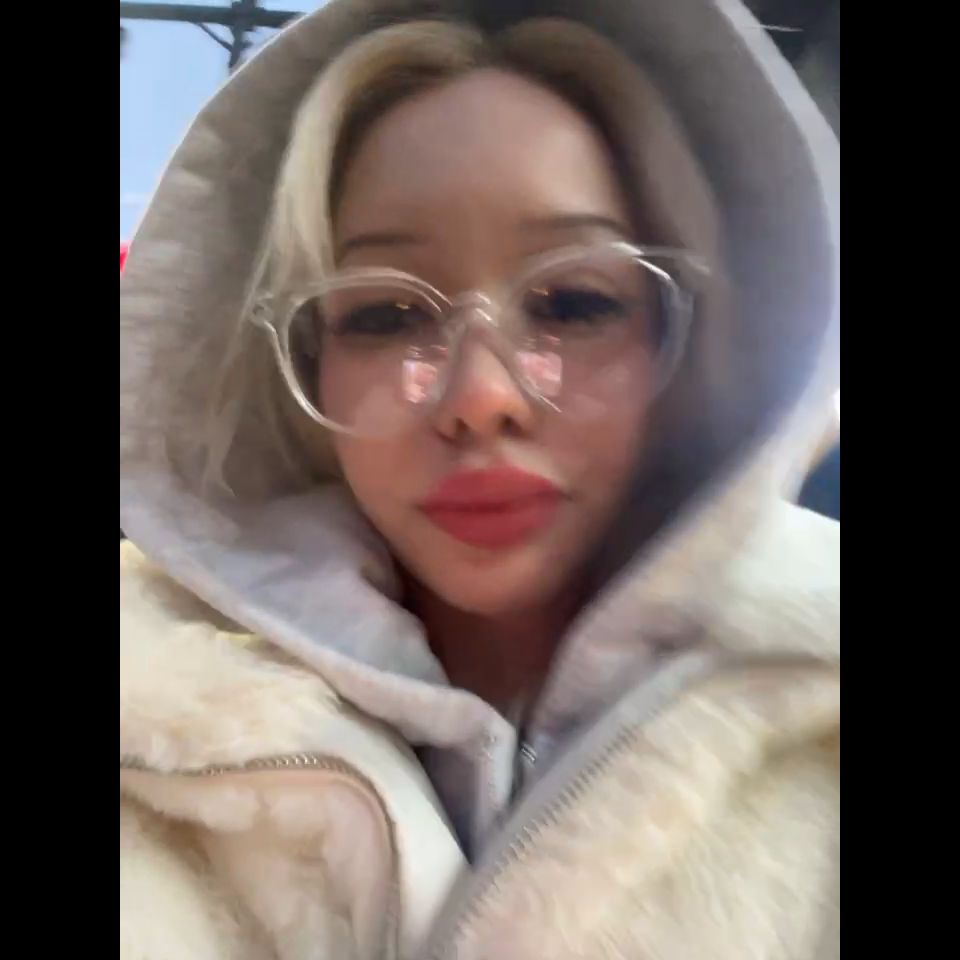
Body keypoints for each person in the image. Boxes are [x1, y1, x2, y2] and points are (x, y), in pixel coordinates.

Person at [119, 2, 839, 958]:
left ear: (688, 338)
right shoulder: (146, 721)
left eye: (574, 302)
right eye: (384, 315)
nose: (481, 397)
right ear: (304, 366)